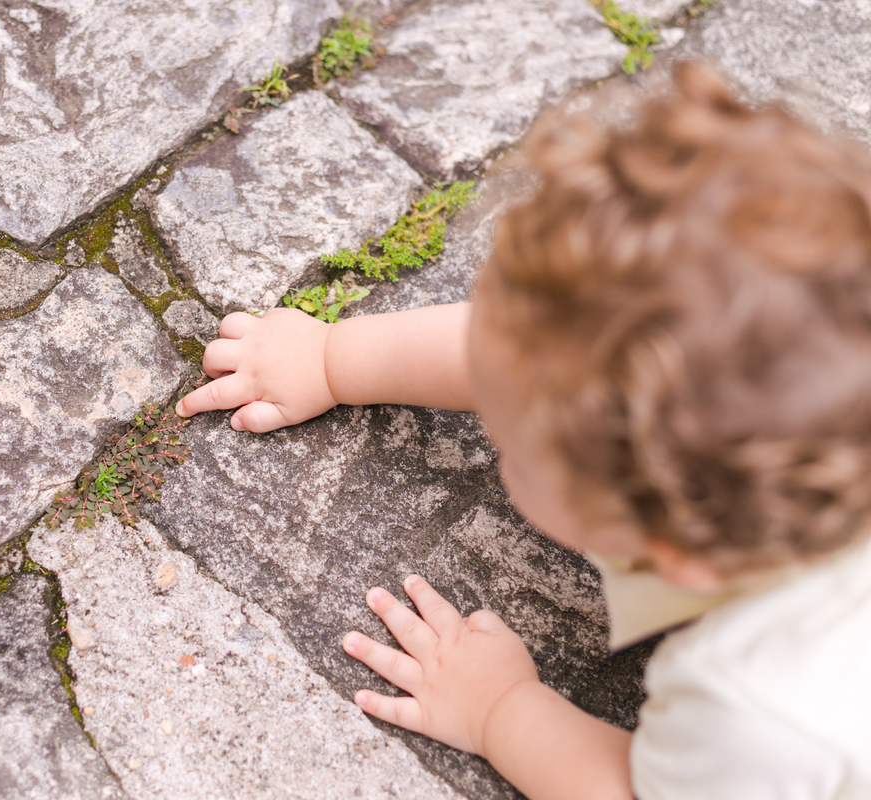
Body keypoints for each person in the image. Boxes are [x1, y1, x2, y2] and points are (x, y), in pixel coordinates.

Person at [173, 62, 871, 799]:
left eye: (513, 440)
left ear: (678, 552)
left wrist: (500, 709)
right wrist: (332, 357)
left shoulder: (762, 708)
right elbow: (525, 354)